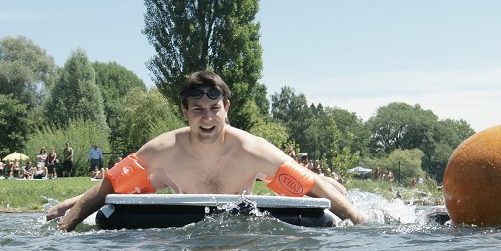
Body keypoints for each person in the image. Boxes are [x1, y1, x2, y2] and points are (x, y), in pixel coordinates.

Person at [47, 70, 365, 230]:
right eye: (198, 109)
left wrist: (359, 222)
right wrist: (68, 223)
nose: (208, 118)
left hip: (239, 218)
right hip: (182, 204)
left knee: (322, 186)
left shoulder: (252, 149)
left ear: (226, 108)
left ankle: (345, 190)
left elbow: (310, 185)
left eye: (214, 107)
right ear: (184, 112)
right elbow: (111, 186)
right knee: (149, 182)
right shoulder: (163, 149)